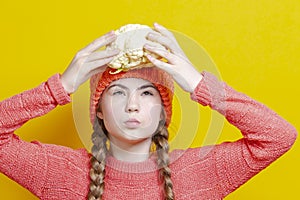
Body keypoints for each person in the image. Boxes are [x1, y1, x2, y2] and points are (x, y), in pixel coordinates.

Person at [0, 23, 297, 200]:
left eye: (147, 93)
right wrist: (59, 88)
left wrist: (197, 83)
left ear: (163, 112)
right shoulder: (62, 173)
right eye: (117, 92)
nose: (133, 105)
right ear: (99, 110)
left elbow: (279, 136)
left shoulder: (199, 173)